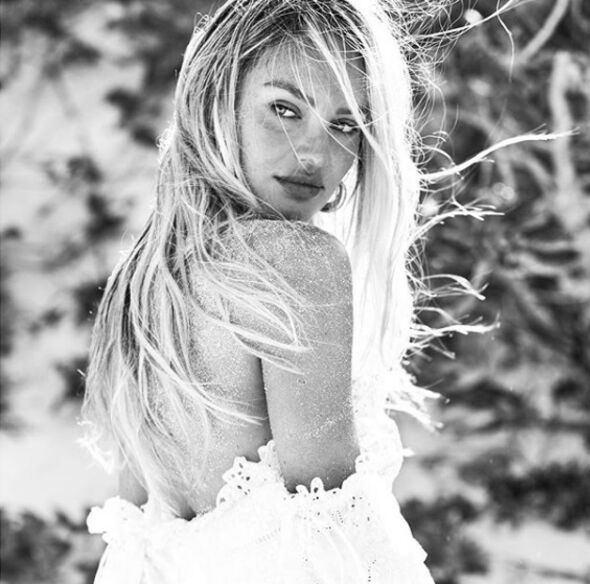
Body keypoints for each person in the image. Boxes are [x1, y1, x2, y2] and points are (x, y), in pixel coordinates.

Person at [82, 0, 438, 581]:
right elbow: (339, 535)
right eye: (284, 109)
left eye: (346, 124)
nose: (315, 155)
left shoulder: (141, 287)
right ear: (216, 103)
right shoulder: (296, 265)